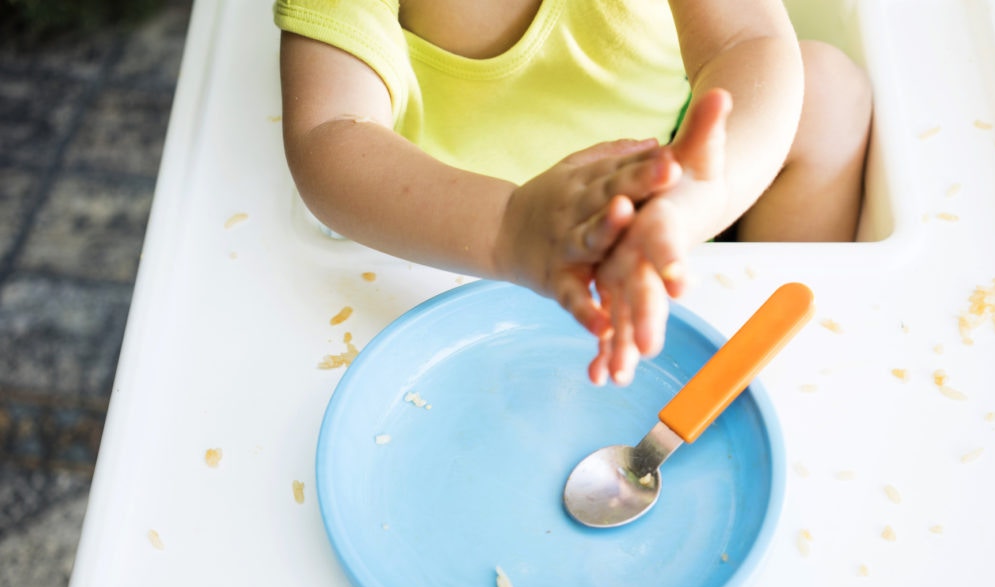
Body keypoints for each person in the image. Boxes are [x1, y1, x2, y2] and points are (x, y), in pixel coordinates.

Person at [275, 0, 871, 385]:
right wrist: (508, 228)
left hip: (668, 187)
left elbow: (746, 41)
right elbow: (329, 136)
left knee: (829, 93)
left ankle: (771, 368)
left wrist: (692, 198)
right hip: (455, 231)